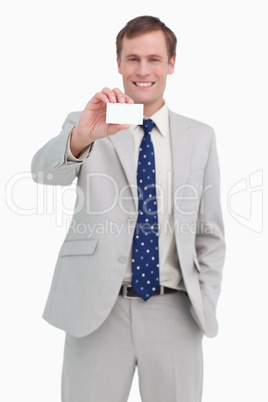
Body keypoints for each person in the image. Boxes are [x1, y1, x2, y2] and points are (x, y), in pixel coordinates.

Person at [31, 15, 225, 402]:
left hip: (175, 311)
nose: (142, 70)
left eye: (154, 59)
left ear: (171, 64)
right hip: (97, 312)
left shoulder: (200, 136)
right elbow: (42, 175)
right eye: (132, 58)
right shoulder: (88, 124)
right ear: (118, 63)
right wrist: (82, 136)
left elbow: (210, 231)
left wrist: (204, 299)